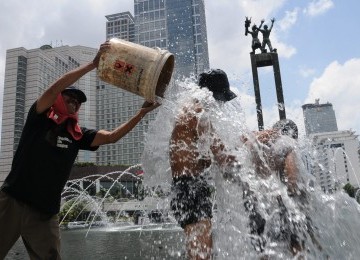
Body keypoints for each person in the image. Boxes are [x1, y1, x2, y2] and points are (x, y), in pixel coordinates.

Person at [0, 41, 160, 259]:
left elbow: (112, 137)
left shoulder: (78, 134)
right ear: (58, 99)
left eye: (78, 102)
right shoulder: (39, 117)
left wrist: (141, 114)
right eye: (70, 98)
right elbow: (54, 88)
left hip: (45, 213)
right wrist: (93, 65)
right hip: (13, 201)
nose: (74, 103)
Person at [169, 69, 238, 260]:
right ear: (214, 94)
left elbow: (193, 157)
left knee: (200, 252)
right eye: (221, 98)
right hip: (189, 187)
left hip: (185, 186)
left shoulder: (188, 109)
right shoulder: (199, 113)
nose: (221, 104)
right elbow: (222, 156)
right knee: (202, 254)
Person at [242, 119, 322, 256]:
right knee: (298, 246)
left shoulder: (263, 141)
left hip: (256, 199)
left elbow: (245, 140)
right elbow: (292, 179)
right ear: (294, 136)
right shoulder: (288, 146)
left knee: (262, 248)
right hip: (282, 201)